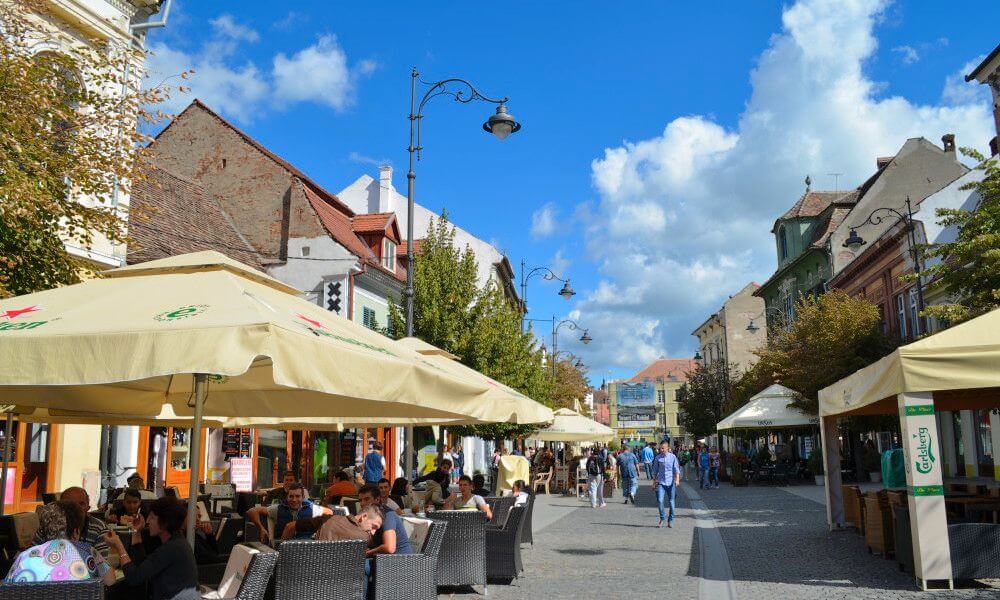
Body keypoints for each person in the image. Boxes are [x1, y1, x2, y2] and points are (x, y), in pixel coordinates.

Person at [104, 497, 199, 600]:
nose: (148, 520)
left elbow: (134, 578)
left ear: (165, 522)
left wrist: (119, 546)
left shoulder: (173, 548)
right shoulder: (177, 542)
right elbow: (141, 565)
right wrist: (136, 532)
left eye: (152, 517)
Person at [5, 500, 116, 585]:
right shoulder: (87, 551)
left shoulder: (25, 556)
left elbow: (8, 586)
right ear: (76, 531)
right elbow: (110, 580)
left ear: (44, 531)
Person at [34, 486, 109, 554]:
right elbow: (33, 555)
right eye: (70, 505)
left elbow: (101, 565)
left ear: (88, 508)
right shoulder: (48, 525)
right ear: (60, 507)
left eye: (81, 504)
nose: (76, 508)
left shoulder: (98, 527)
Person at [248, 482, 330, 544]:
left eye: (297, 496)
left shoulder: (311, 508)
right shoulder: (278, 509)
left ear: (303, 498)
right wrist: (261, 528)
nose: (294, 500)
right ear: (287, 497)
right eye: (291, 496)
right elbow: (252, 511)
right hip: (284, 546)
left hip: (307, 545)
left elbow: (328, 514)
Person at [358, 484, 412, 555]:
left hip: (400, 560)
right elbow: (372, 541)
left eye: (367, 499)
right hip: (383, 558)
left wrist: (368, 552)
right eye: (360, 500)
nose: (362, 503)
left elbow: (389, 548)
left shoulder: (387, 514)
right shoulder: (370, 514)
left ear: (377, 499)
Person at [652, 441, 681, 528]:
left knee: (671, 502)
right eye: (660, 448)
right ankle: (662, 517)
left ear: (667, 448)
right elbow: (654, 471)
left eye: (662, 448)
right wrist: (654, 482)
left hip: (671, 482)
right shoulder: (658, 458)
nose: (661, 449)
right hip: (661, 482)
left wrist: (677, 480)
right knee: (660, 500)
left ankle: (670, 520)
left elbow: (676, 469)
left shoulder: (673, 457)